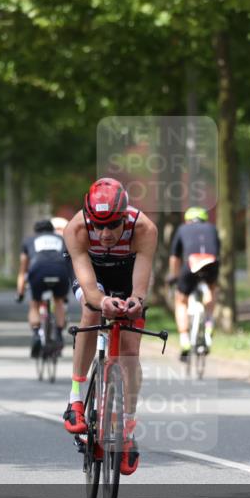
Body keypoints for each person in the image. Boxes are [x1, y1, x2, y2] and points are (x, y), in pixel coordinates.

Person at [62, 177, 157, 475]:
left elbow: (140, 288)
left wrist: (135, 302)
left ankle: (127, 427)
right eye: (98, 225)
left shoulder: (144, 229)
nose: (104, 233)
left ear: (125, 217)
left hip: (127, 272)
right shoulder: (76, 229)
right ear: (89, 219)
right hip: (92, 271)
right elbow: (91, 291)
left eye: (113, 225)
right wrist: (101, 301)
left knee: (130, 348)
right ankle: (76, 398)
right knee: (91, 312)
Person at [168, 206, 220, 358]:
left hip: (191, 264)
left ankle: (184, 340)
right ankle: (209, 322)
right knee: (211, 290)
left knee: (181, 301)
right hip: (211, 262)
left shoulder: (183, 229)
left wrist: (175, 276)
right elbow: (217, 251)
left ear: (188, 220)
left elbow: (174, 257)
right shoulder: (213, 228)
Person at [17, 220, 70, 356]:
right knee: (58, 301)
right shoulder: (62, 239)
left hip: (38, 271)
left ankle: (36, 335)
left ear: (36, 231)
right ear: (52, 230)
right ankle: (58, 335)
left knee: (35, 304)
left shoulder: (30, 240)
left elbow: (23, 271)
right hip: (60, 271)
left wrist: (20, 293)